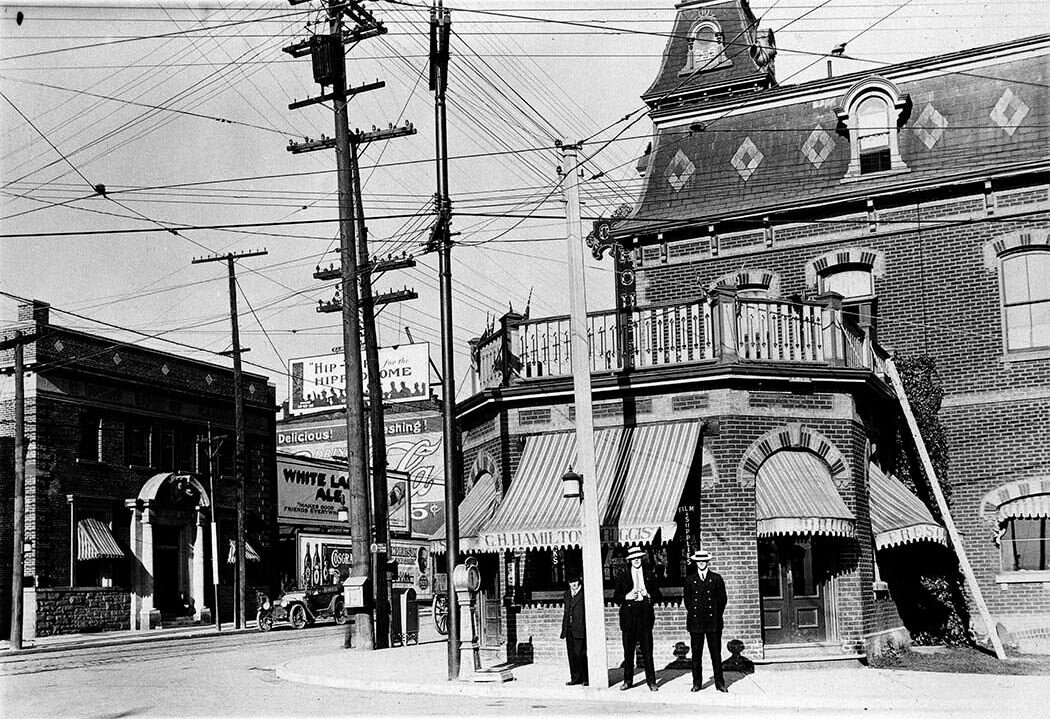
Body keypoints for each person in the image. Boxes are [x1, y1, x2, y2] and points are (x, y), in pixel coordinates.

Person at [613, 545, 661, 691]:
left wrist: (648, 595)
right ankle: (628, 681)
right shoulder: (623, 576)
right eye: (633, 559)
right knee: (628, 652)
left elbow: (659, 595)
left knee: (647, 652)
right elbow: (616, 598)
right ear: (630, 560)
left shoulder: (649, 575)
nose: (636, 561)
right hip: (629, 618)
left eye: (638, 558)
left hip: (644, 616)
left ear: (641, 558)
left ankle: (651, 682)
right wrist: (627, 597)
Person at [683, 549, 728, 693]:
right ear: (696, 562)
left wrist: (715, 615)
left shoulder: (716, 578)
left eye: (704, 561)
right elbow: (688, 602)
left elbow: (722, 600)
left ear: (707, 562)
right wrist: (696, 613)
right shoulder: (690, 580)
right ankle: (697, 683)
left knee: (716, 654)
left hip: (713, 622)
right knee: (696, 655)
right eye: (699, 561)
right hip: (696, 623)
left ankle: (720, 683)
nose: (701, 563)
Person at [560, 571, 588, 686]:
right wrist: (564, 629)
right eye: (571, 582)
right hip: (569, 628)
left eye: (575, 581)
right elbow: (566, 612)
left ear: (579, 580)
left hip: (580, 627)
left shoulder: (584, 593)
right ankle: (575, 677)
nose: (574, 584)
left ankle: (586, 677)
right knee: (571, 654)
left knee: (580, 653)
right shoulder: (567, 595)